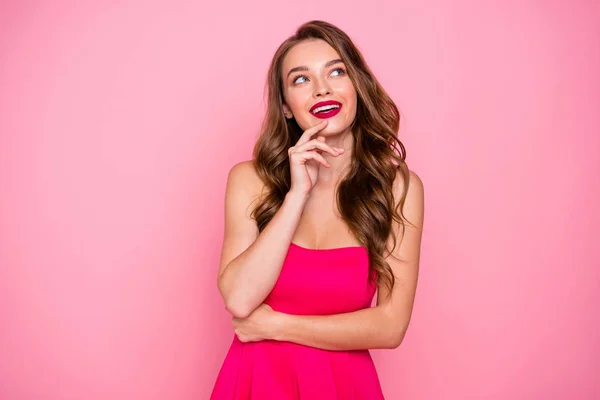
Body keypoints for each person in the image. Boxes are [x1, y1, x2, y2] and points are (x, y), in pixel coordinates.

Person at [210, 20, 424, 399]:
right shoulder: (249, 180)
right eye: (301, 80)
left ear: (357, 85)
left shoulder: (398, 188)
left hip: (345, 388)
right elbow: (240, 299)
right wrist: (296, 195)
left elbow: (391, 327)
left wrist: (275, 326)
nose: (322, 88)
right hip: (256, 385)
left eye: (336, 71)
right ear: (287, 108)